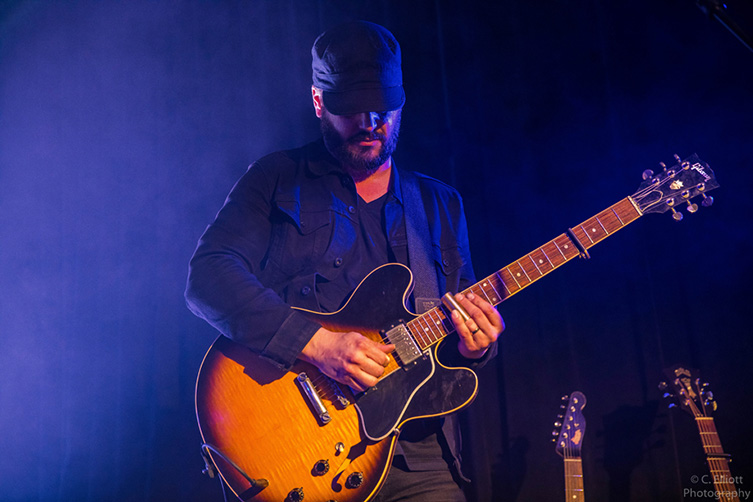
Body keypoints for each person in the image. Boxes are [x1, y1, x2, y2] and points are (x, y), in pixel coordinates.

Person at [185, 20, 504, 502]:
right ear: (319, 102)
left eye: (383, 107)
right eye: (351, 108)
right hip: (298, 448)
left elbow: (457, 336)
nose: (370, 122)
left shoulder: (440, 205)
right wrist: (316, 345)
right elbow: (208, 277)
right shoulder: (276, 178)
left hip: (418, 456)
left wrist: (475, 345)